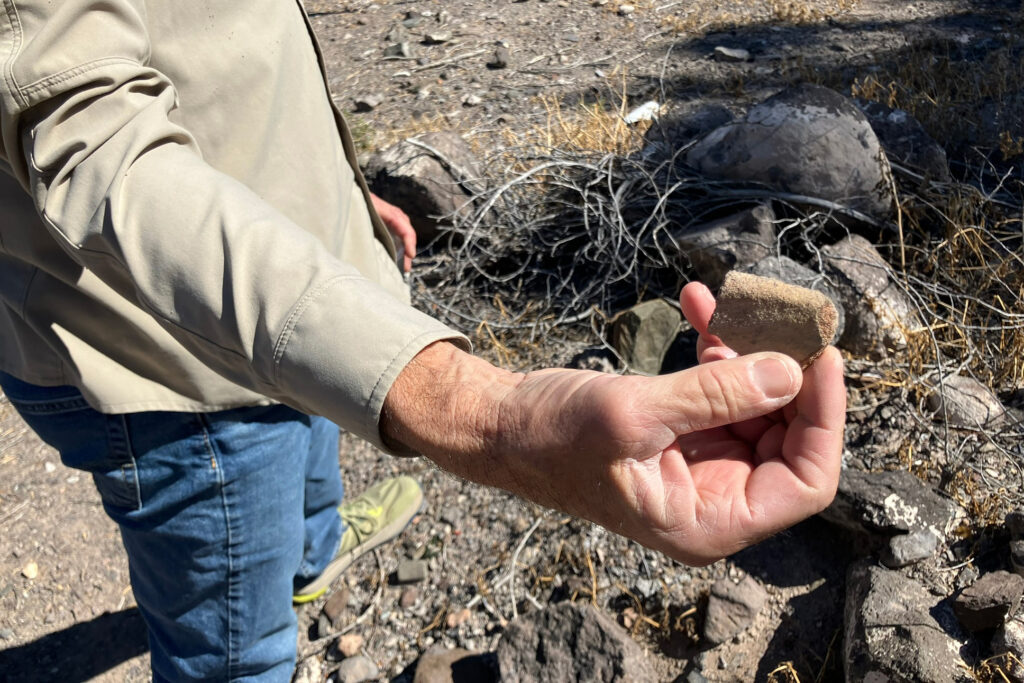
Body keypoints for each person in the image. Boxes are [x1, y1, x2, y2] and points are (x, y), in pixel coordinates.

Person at [0, 1, 846, 680]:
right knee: (233, 654)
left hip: (286, 297)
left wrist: (338, 193)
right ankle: (256, 607)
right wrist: (481, 413)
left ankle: (302, 572)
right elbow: (92, 144)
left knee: (309, 484)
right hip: (166, 370)